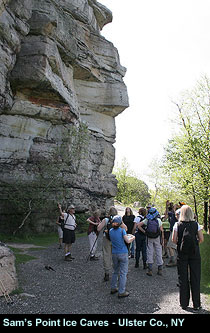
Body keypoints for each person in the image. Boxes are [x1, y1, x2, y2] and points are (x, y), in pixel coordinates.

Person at [172, 205, 204, 311]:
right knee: (195, 277)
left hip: (182, 254)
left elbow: (174, 240)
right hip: (194, 253)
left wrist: (181, 245)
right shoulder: (196, 224)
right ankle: (197, 304)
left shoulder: (177, 224)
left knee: (183, 277)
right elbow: (201, 239)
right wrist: (195, 244)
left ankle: (184, 303)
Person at [97, 206, 127, 282]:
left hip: (106, 239)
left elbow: (98, 229)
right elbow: (125, 228)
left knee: (106, 255)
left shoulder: (106, 219)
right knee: (116, 255)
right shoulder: (118, 219)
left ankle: (107, 273)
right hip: (116, 239)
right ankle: (116, 273)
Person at [109, 215, 135, 298]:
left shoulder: (110, 231)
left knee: (115, 271)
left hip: (114, 253)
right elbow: (127, 241)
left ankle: (113, 287)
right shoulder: (122, 231)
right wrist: (133, 238)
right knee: (123, 273)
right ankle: (121, 291)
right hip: (123, 252)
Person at [138, 207, 164, 276]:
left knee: (150, 251)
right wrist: (162, 239)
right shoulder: (158, 220)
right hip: (157, 237)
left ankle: (150, 269)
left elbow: (138, 225)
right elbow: (161, 230)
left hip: (149, 237)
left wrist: (144, 232)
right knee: (158, 251)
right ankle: (160, 269)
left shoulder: (147, 220)